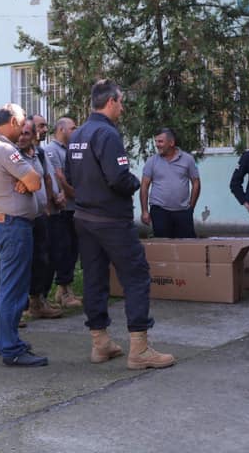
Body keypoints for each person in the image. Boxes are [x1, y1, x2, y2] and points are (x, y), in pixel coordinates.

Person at [67, 80, 175, 370]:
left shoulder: (77, 134)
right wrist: (134, 182)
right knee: (136, 276)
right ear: (111, 102)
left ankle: (100, 343)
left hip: (84, 218)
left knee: (94, 278)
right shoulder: (107, 133)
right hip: (111, 220)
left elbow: (69, 175)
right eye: (121, 102)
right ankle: (139, 349)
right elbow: (118, 178)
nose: (123, 108)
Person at [0, 104, 47, 367]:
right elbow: (35, 181)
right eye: (23, 122)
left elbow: (30, 180)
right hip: (13, 227)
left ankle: (1, 341)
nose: (25, 128)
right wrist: (27, 182)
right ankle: (11, 348)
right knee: (13, 290)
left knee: (0, 288)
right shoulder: (6, 150)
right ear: (14, 122)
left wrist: (25, 182)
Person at [18, 121, 63, 320]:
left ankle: (37, 302)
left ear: (33, 135)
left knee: (42, 259)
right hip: (21, 217)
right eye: (20, 133)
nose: (22, 137)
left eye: (26, 133)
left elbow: (46, 178)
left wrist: (49, 202)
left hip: (40, 215)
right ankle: (19, 309)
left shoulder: (39, 154)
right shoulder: (12, 155)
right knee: (21, 262)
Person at [45, 116, 83, 308]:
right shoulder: (51, 150)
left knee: (72, 249)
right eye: (73, 128)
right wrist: (68, 193)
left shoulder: (70, 149)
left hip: (73, 207)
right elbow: (58, 177)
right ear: (61, 129)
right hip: (62, 208)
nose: (76, 131)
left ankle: (65, 290)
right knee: (63, 249)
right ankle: (63, 291)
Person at [140, 128, 201, 238]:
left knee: (187, 244)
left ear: (171, 142)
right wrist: (144, 211)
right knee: (163, 244)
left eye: (160, 141)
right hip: (159, 211)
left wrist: (191, 207)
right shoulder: (152, 161)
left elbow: (196, 183)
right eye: (156, 141)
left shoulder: (188, 160)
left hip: (183, 211)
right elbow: (144, 186)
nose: (157, 145)